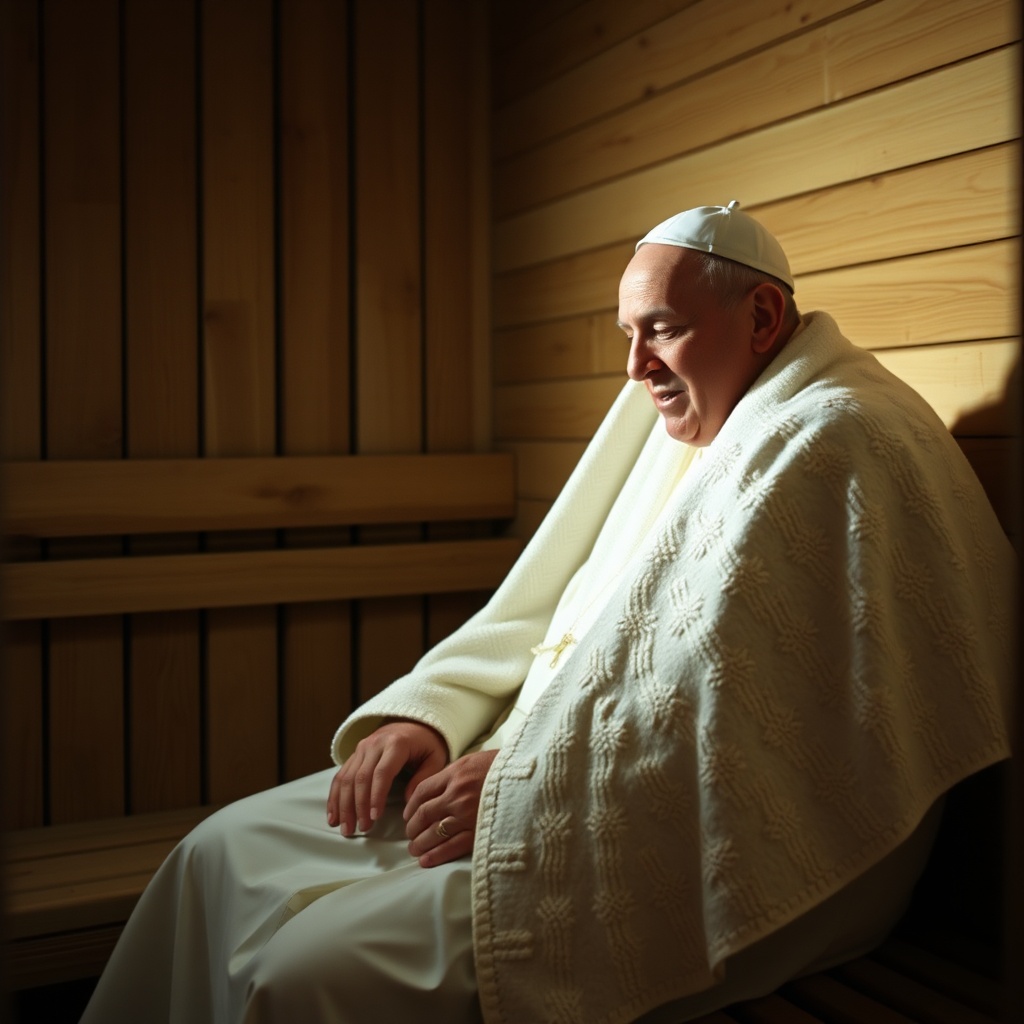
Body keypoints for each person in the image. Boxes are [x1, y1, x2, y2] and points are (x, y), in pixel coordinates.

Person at [81, 202, 1014, 1023]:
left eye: (661, 329)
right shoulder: (692, 404)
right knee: (218, 852)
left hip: (744, 844)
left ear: (762, 315)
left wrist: (539, 777)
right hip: (535, 761)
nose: (635, 365)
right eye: (627, 332)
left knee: (310, 973)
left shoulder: (835, 436)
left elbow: (743, 703)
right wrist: (431, 713)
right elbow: (548, 600)